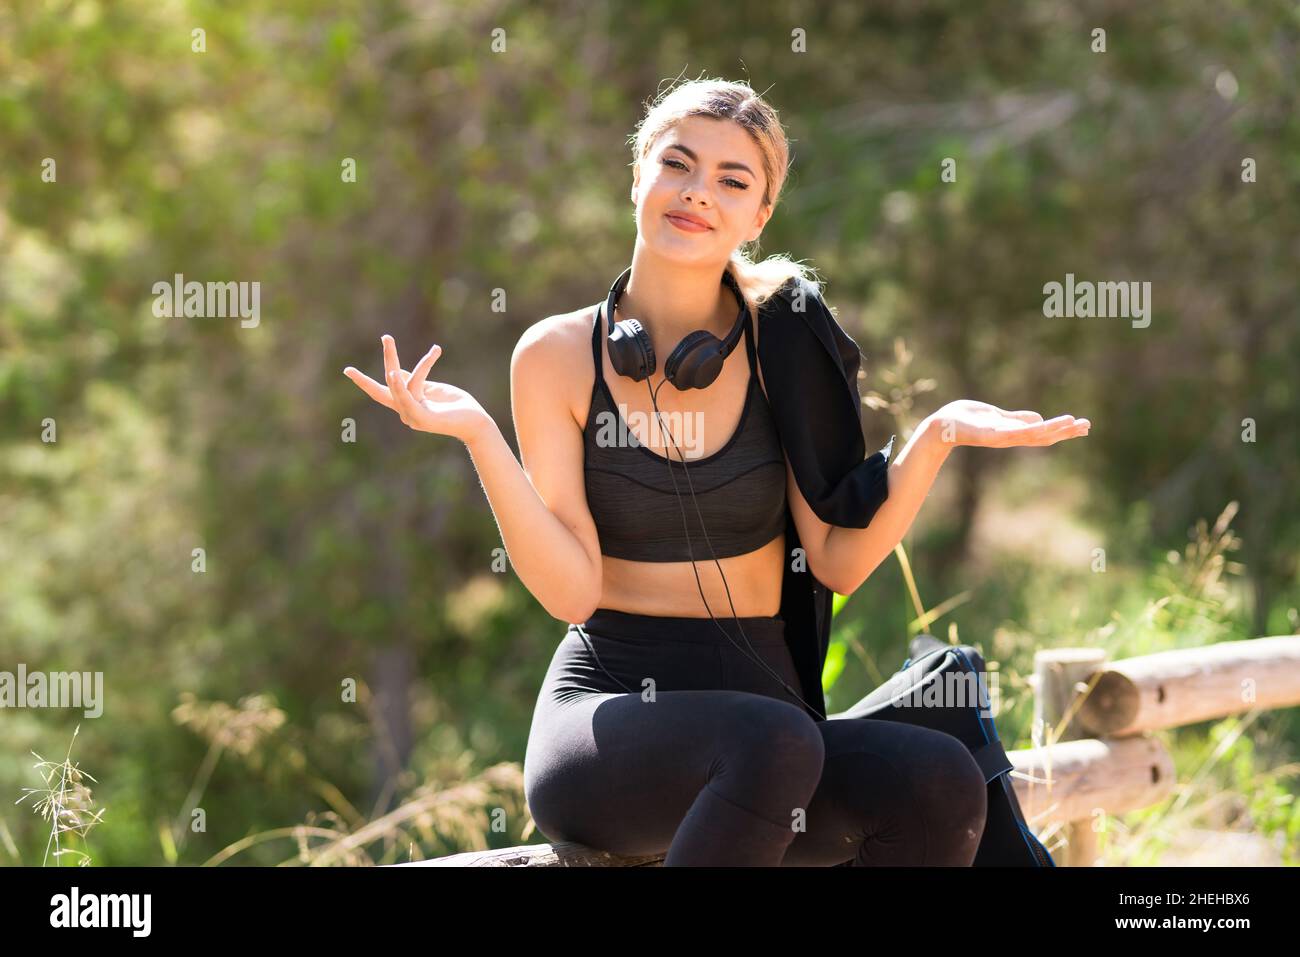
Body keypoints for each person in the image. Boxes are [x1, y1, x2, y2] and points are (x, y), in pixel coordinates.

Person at [343, 77, 1091, 866]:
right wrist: (477, 435)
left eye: (733, 181)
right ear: (638, 174)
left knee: (936, 776)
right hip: (612, 714)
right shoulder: (556, 355)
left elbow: (836, 559)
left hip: (772, 719)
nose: (698, 193)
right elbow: (570, 591)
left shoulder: (786, 339)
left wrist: (935, 438)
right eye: (678, 165)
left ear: (759, 215)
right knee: (771, 744)